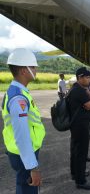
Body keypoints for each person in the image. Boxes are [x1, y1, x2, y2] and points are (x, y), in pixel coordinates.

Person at [1, 48, 45, 194]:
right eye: (32, 67)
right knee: (27, 190)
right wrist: (33, 167)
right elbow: (22, 136)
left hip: (21, 153)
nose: (36, 69)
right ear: (23, 71)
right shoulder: (18, 98)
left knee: (23, 188)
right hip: (23, 154)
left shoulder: (19, 92)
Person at [68, 67, 90, 190]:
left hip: (76, 126)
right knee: (81, 153)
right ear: (80, 77)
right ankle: (81, 181)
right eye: (87, 77)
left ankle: (76, 174)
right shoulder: (80, 91)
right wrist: (89, 93)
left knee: (75, 151)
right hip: (81, 126)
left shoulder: (74, 88)